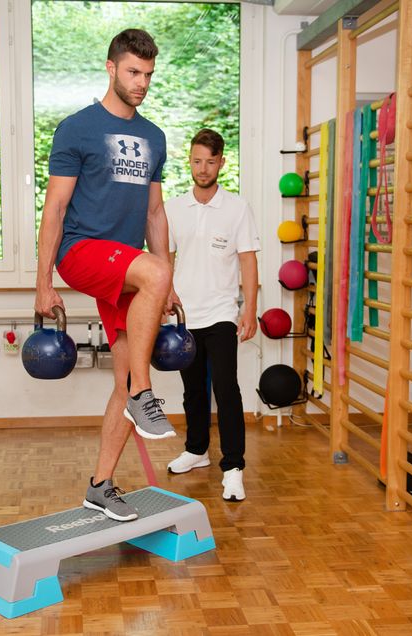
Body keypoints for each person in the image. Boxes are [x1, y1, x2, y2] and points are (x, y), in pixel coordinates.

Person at [34, 29, 179, 522]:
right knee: (137, 383)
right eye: (134, 72)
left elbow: (155, 215)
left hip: (129, 265)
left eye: (149, 75)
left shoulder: (154, 137)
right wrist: (42, 281)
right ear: (111, 68)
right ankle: (145, 394)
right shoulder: (77, 129)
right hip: (81, 251)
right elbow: (54, 209)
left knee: (121, 377)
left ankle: (100, 485)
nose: (142, 83)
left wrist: (165, 282)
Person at [166, 128, 259, 502]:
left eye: (210, 161)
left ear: (221, 162)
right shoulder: (173, 208)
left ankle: (233, 466)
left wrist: (249, 309)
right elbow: (164, 258)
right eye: (196, 161)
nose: (202, 169)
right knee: (192, 390)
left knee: (226, 388)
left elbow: (248, 261)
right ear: (189, 161)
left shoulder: (237, 208)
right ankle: (197, 450)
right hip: (184, 315)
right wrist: (164, 297)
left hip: (221, 312)